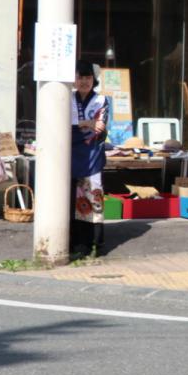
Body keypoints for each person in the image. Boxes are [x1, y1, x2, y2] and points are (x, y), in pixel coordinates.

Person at [70, 60, 109, 258]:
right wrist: (87, 123)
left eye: (88, 77)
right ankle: (75, 244)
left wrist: (78, 126)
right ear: (74, 79)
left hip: (92, 157)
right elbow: (62, 125)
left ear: (93, 80)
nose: (84, 81)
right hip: (68, 157)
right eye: (80, 77)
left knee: (92, 199)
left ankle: (93, 244)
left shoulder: (101, 100)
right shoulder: (67, 98)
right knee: (71, 201)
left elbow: (100, 128)